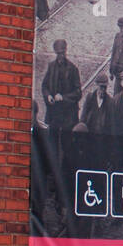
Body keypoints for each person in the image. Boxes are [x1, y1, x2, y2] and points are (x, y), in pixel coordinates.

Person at [41, 38, 81, 175]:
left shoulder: (72, 69)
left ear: (66, 52)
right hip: (54, 115)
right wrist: (48, 96)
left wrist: (63, 97)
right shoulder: (51, 67)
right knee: (52, 145)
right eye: (58, 53)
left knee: (67, 147)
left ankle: (66, 175)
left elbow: (78, 93)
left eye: (62, 53)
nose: (61, 56)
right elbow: (44, 86)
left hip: (68, 116)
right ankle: (52, 174)